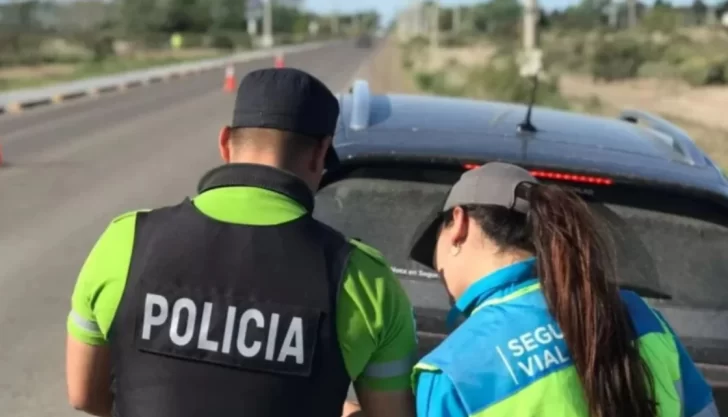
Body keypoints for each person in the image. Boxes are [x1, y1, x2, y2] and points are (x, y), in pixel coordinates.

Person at [65, 68, 417, 417]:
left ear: (225, 143)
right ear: (319, 153)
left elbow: (84, 395)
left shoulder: (127, 241)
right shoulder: (362, 278)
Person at [407, 162, 719, 417]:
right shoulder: (641, 316)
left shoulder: (452, 371)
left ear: (459, 225)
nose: (438, 270)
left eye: (434, 248)